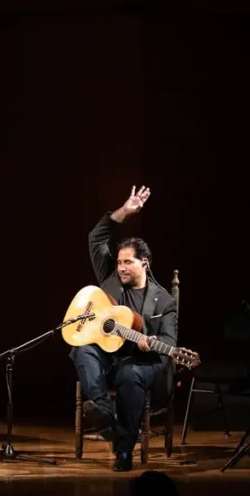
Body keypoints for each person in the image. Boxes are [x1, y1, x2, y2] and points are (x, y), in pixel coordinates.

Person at [72, 186, 178, 471]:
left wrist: (152, 340)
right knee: (82, 350)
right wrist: (123, 212)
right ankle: (105, 414)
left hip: (139, 361)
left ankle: (123, 450)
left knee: (131, 376)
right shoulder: (109, 277)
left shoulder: (164, 300)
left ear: (144, 263)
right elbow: (96, 238)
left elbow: (170, 340)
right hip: (108, 356)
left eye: (127, 262)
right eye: (118, 262)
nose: (120, 267)